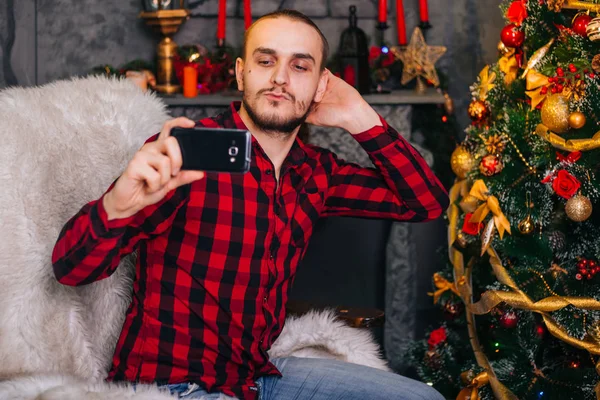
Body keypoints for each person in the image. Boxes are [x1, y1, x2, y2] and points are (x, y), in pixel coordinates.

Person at [52, 9, 449, 400]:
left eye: (300, 66)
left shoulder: (316, 173)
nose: (279, 78)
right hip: (174, 387)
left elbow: (426, 203)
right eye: (266, 60)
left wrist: (360, 117)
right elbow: (70, 268)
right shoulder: (186, 153)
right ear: (242, 72)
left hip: (258, 377)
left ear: (320, 84)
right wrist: (117, 206)